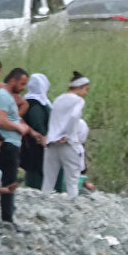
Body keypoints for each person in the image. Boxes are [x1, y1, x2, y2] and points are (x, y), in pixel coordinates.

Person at [0, 67, 36, 227]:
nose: (23, 88)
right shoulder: (4, 96)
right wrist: (19, 127)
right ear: (13, 80)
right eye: (22, 84)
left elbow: (12, 115)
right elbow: (1, 120)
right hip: (8, 144)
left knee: (9, 180)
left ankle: (8, 215)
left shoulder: (7, 96)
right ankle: (7, 218)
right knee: (9, 181)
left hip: (12, 143)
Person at [43, 71, 88, 199]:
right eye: (85, 89)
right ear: (80, 87)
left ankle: (44, 202)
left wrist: (54, 136)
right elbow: (74, 116)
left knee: (49, 179)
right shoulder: (78, 100)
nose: (86, 93)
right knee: (72, 180)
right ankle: (72, 204)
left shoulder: (58, 99)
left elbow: (54, 120)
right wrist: (67, 134)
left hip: (52, 143)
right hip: (68, 143)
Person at [20, 73, 54, 191]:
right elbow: (38, 124)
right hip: (37, 147)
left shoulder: (34, 102)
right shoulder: (35, 105)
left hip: (36, 146)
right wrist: (44, 139)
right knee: (36, 174)